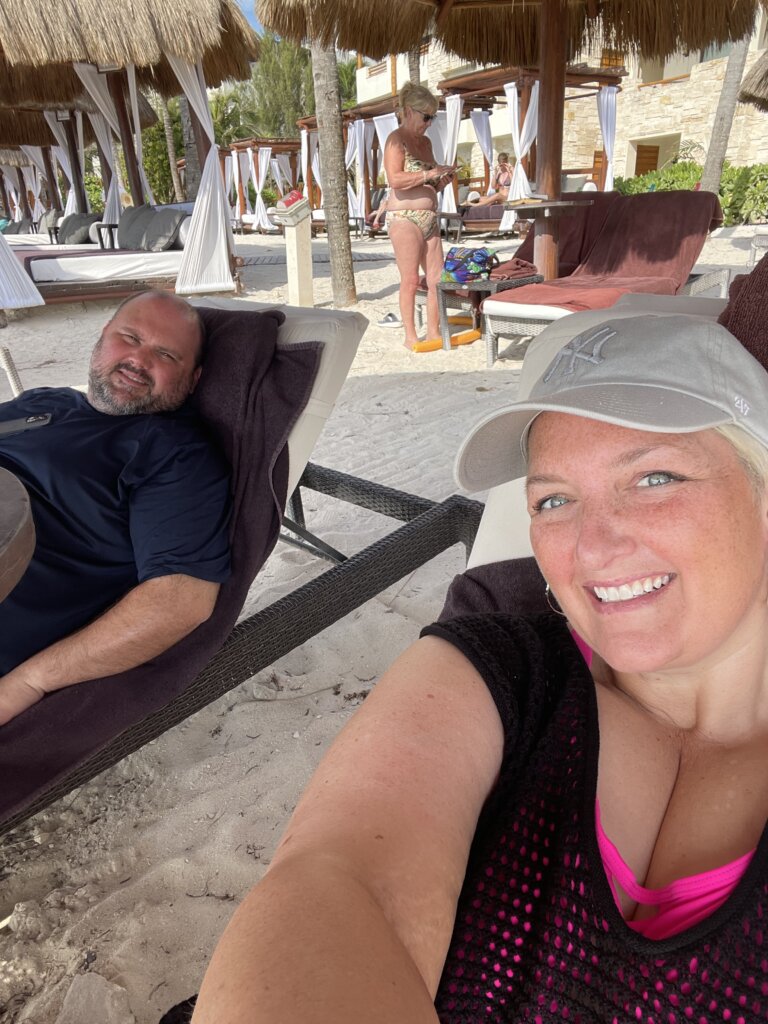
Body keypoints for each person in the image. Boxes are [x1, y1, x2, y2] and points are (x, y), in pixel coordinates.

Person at [192, 313, 768, 1023]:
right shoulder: (496, 670)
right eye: (553, 500)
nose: (591, 547)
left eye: (654, 477)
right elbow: (338, 882)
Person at [0, 290, 231, 725]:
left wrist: (29, 681)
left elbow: (181, 601)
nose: (138, 360)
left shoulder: (171, 453)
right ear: (103, 337)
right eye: (130, 338)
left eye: (166, 354)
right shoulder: (43, 402)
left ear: (193, 379)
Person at [384, 82, 457, 350]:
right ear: (408, 112)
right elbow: (395, 179)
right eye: (426, 117)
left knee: (437, 278)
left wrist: (441, 180)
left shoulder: (425, 143)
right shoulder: (396, 139)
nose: (429, 123)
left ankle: (433, 332)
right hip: (404, 217)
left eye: (432, 118)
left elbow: (428, 183)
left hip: (429, 216)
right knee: (411, 279)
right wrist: (430, 174)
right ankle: (410, 336)